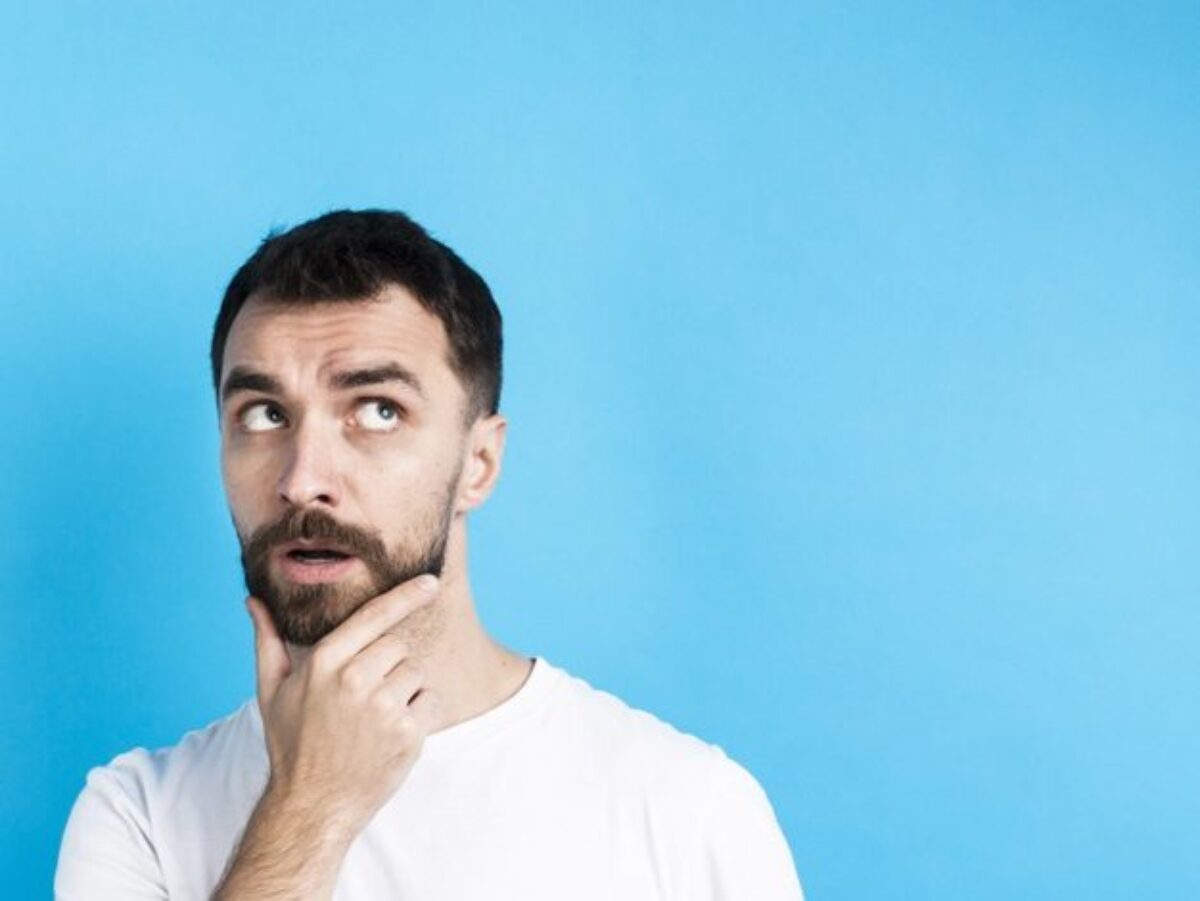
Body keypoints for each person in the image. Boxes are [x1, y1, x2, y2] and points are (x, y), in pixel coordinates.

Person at [54, 209, 805, 900]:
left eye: (378, 410)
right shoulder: (137, 816)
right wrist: (309, 808)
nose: (303, 480)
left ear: (479, 463)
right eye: (264, 414)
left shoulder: (691, 812)